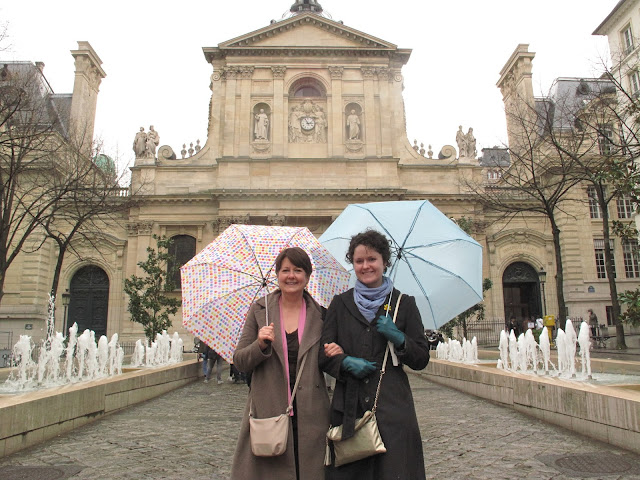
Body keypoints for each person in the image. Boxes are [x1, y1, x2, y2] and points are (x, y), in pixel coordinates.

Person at [319, 229, 430, 479]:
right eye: (359, 261)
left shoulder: (404, 304)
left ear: (384, 262)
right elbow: (322, 353)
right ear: (353, 264)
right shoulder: (339, 304)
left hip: (392, 408)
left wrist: (400, 339)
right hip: (349, 409)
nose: (366, 266)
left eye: (372, 260)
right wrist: (344, 361)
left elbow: (421, 357)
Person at [230, 247, 331, 480]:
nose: (291, 276)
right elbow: (240, 361)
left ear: (307, 276)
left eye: (298, 270)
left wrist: (335, 353)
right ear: (277, 275)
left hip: (311, 411)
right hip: (270, 408)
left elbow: (328, 361)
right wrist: (260, 345)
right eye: (285, 270)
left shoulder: (322, 314)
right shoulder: (260, 311)